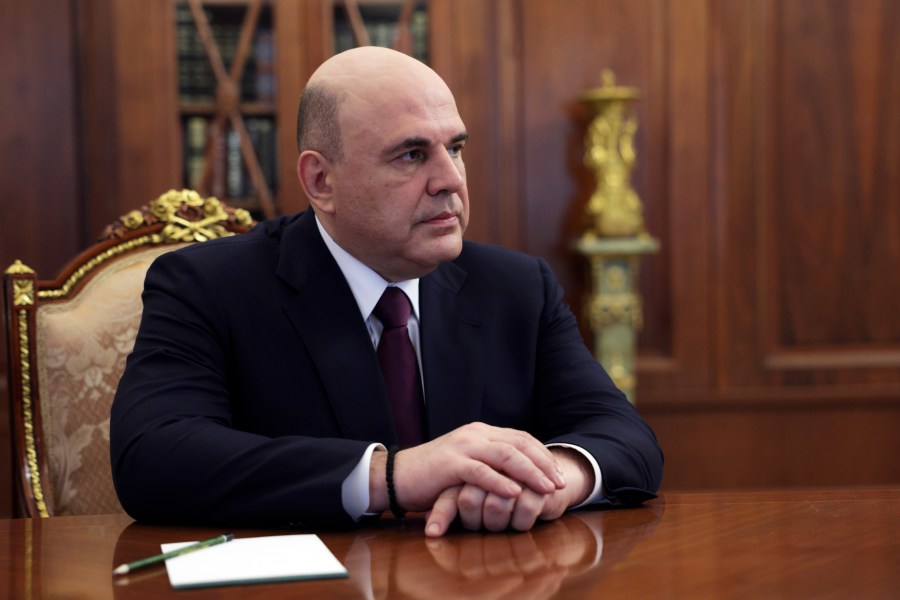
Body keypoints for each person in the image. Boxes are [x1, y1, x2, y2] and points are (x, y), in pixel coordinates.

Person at [110, 46, 662, 537]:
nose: (451, 181)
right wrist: (394, 475)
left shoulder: (516, 287)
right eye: (412, 155)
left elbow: (625, 437)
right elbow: (152, 457)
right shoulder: (208, 286)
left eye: (457, 148)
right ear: (321, 182)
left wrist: (551, 478)